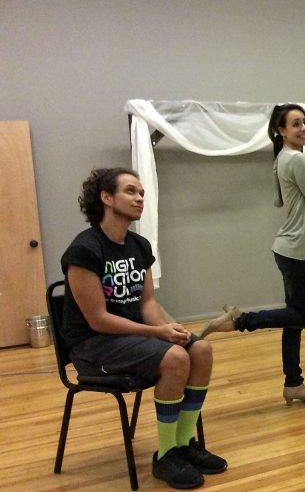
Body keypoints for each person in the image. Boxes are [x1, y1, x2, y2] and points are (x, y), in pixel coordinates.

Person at [61, 168, 227, 489]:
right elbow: (98, 320)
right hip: (93, 346)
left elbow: (147, 302)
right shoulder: (84, 250)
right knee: (176, 358)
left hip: (132, 338)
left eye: (141, 193)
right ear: (106, 198)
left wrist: (168, 327)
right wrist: (157, 334)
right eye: (130, 191)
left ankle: (183, 444)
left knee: (201, 350)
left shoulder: (138, 245)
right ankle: (165, 456)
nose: (139, 198)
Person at [200, 103, 305, 406]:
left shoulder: (284, 158)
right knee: (303, 316)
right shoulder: (295, 159)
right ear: (281, 130)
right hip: (297, 251)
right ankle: (240, 320)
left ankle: (293, 383)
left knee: (293, 320)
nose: (304, 128)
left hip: (293, 249)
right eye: (296, 124)